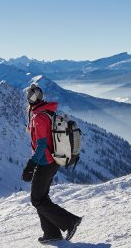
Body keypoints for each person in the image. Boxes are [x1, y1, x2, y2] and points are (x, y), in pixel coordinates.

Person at [22, 84, 82, 243]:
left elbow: (41, 145)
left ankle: (70, 222)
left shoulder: (39, 117)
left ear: (30, 99)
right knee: (41, 197)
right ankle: (51, 233)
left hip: (46, 162)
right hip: (50, 161)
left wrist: (31, 165)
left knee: (37, 199)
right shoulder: (44, 112)